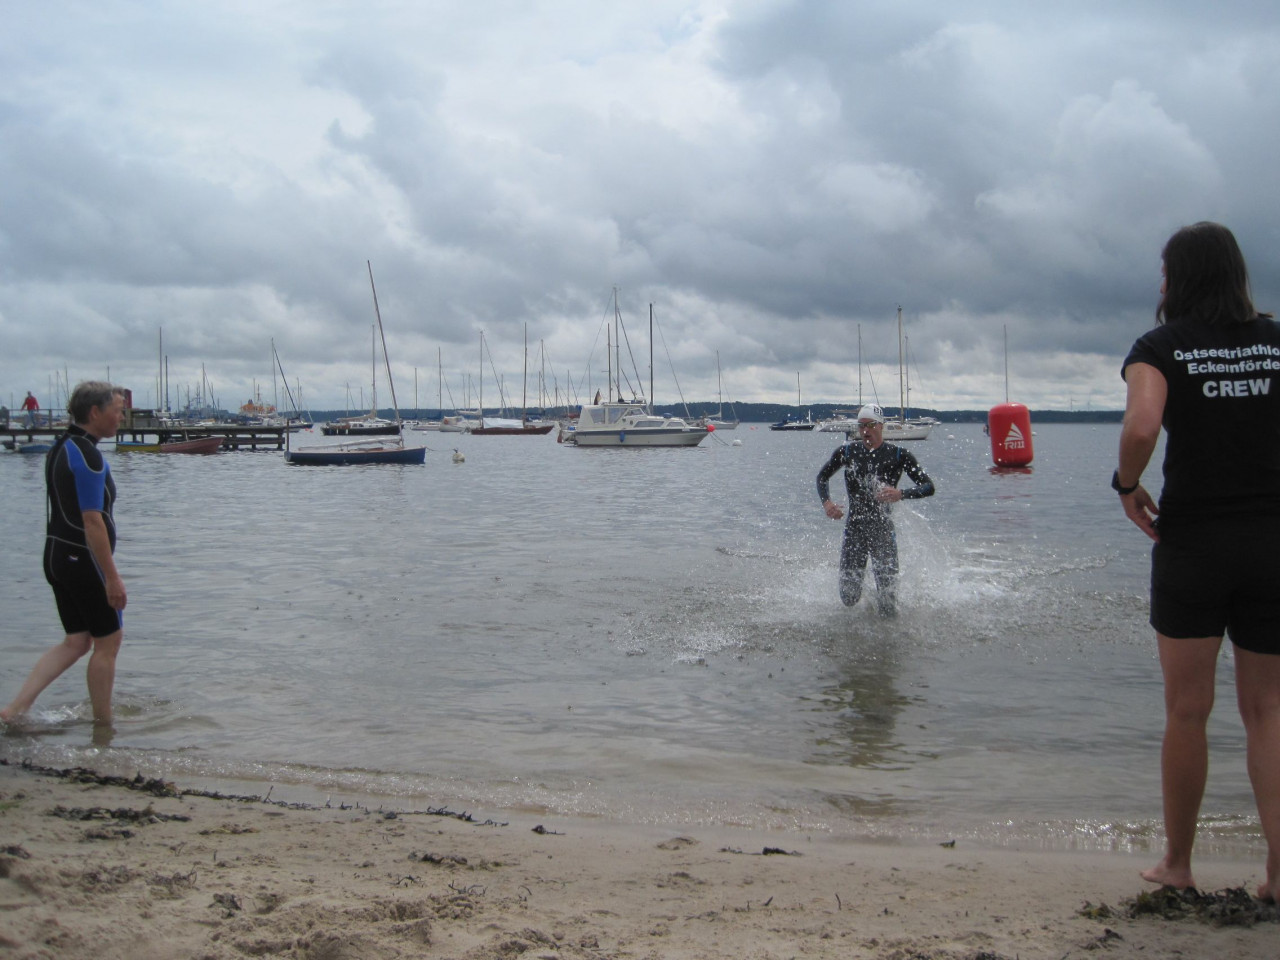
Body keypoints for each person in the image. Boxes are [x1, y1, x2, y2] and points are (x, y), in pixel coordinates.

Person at [1118, 221, 1280, 903]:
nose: (1159, 284)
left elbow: (1142, 426)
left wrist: (1128, 486)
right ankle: (1278, 875)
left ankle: (1178, 864)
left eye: (1165, 272)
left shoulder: (1161, 346)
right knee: (1268, 710)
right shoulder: (1275, 342)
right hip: (1273, 542)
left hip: (1192, 544)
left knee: (1188, 709)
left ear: (1178, 279)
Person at [0, 382, 128, 729]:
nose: (121, 416)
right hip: (82, 559)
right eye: (117, 409)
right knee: (108, 643)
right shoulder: (87, 455)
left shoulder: (61, 447)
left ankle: (15, 710)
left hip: (57, 556)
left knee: (76, 642)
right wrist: (112, 577)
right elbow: (92, 520)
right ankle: (104, 727)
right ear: (95, 413)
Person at [816, 403, 935, 615]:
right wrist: (827, 503)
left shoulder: (899, 455)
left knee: (888, 605)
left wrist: (901, 494)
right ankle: (867, 607)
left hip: (882, 532)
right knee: (849, 598)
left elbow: (928, 487)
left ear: (881, 426)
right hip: (855, 530)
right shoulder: (847, 452)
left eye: (870, 425)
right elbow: (822, 477)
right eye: (861, 426)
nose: (865, 431)